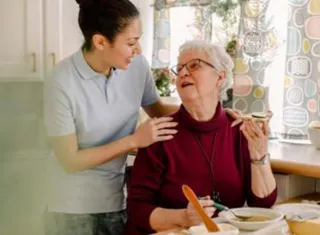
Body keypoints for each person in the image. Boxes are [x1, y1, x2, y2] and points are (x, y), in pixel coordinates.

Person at [43, 1, 179, 234]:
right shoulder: (61, 81)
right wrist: (134, 141)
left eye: (138, 39)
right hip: (71, 207)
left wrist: (216, 112)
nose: (138, 50)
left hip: (117, 200)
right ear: (100, 42)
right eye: (131, 43)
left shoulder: (136, 67)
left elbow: (158, 111)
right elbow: (70, 160)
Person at [124, 40, 278, 235]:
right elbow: (137, 211)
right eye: (179, 69)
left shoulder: (238, 130)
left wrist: (259, 156)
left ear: (220, 77)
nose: (183, 73)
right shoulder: (159, 133)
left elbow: (263, 205)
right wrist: (183, 218)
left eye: (194, 65)